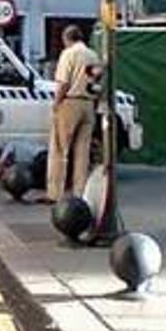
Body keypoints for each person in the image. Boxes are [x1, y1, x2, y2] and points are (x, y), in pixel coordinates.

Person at [46, 25, 100, 203]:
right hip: (88, 103)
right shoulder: (93, 55)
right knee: (82, 152)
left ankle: (56, 192)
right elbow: (97, 82)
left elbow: (63, 82)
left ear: (66, 39)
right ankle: (80, 193)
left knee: (61, 149)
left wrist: (56, 103)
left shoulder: (68, 54)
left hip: (70, 102)